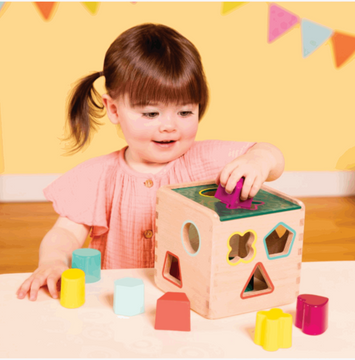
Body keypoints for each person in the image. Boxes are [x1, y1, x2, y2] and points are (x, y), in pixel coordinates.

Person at [16, 23, 284, 301]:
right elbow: (65, 233)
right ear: (114, 109)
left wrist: (259, 160)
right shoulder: (98, 175)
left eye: (184, 111)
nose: (169, 126)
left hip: (189, 294)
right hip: (117, 296)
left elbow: (270, 155)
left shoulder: (204, 159)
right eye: (151, 113)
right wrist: (53, 262)